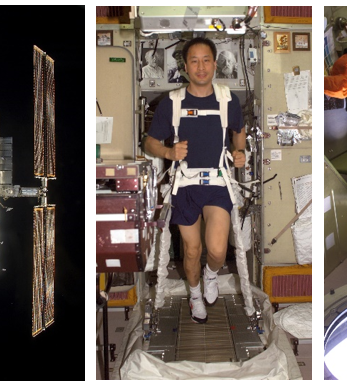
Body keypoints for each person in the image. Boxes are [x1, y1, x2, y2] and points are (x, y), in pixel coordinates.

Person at [144, 37, 246, 324]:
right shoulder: (172, 102)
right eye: (194, 61)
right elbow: (150, 143)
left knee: (216, 250)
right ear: (185, 66)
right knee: (192, 250)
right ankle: (194, 295)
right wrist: (168, 151)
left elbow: (238, 132)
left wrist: (240, 152)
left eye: (206, 60)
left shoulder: (228, 100)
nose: (200, 67)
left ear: (215, 64)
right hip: (185, 184)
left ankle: (211, 275)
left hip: (217, 182)